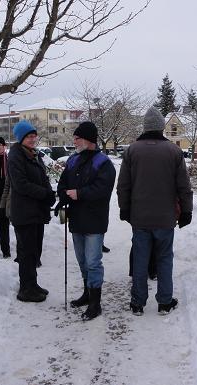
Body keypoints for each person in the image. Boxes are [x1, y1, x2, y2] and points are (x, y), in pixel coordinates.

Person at [117, 107, 193, 316]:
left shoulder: (132, 150)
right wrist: (186, 211)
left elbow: (123, 184)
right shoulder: (174, 151)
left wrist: (124, 208)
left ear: (145, 126)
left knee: (141, 259)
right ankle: (164, 302)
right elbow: (183, 186)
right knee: (164, 259)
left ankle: (138, 302)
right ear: (161, 127)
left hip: (140, 217)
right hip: (165, 217)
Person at [55, 121, 116, 321]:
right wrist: (63, 196)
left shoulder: (103, 162)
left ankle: (95, 303)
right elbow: (63, 183)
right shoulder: (73, 160)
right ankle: (87, 294)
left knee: (93, 262)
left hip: (95, 221)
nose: (74, 141)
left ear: (88, 139)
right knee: (82, 261)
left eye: (77, 138)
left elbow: (103, 189)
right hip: (77, 220)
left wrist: (79, 193)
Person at [8, 120, 56, 302]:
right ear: (21, 138)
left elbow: (41, 178)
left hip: (35, 211)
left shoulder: (33, 155)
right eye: (29, 136)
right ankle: (25, 289)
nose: (33, 139)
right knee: (26, 253)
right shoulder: (16, 156)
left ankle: (32, 284)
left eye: (34, 136)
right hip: (25, 212)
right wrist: (44, 194)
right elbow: (21, 185)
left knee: (34, 251)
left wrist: (49, 193)